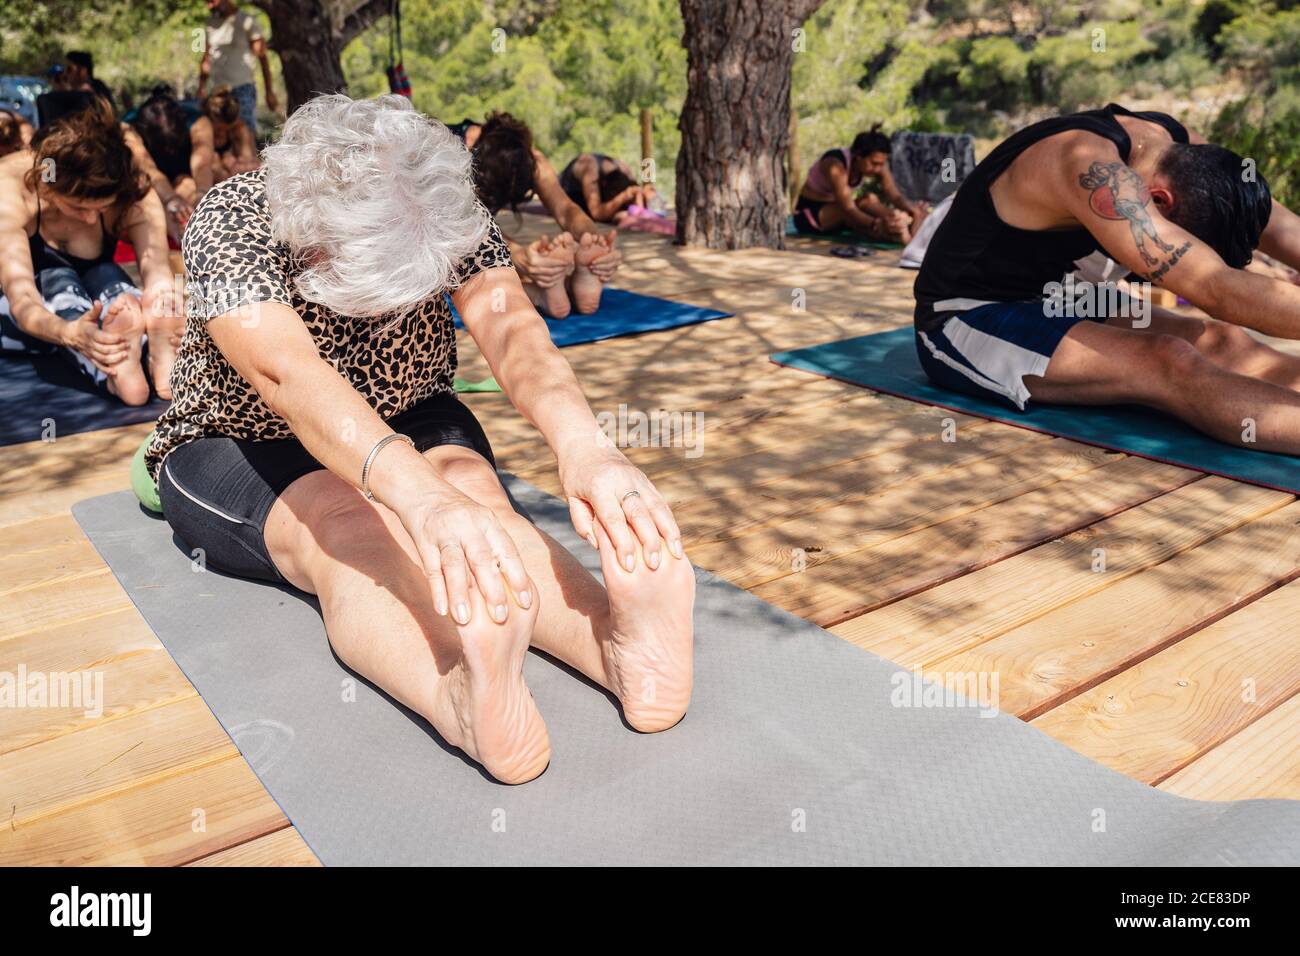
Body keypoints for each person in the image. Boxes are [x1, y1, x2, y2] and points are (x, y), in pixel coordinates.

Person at [144, 94, 695, 784]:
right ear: (309, 235)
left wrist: (586, 446)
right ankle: (458, 696)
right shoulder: (234, 218)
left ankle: (617, 647)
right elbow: (288, 376)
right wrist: (416, 500)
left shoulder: (436, 196)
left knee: (480, 509)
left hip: (411, 406)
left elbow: (513, 335)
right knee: (350, 531)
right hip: (246, 434)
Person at [912, 102, 1300, 454]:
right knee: (1169, 362)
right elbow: (1216, 288)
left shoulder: (1179, 147)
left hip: (1066, 295)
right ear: (1158, 200)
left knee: (1222, 340)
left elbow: (1285, 230)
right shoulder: (1086, 164)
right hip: (966, 314)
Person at [0, 103, 185, 403]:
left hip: (93, 281)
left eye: (100, 209)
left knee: (118, 288)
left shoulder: (132, 186)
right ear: (47, 188)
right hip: (20, 302)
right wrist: (69, 332)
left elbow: (157, 269)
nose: (88, 219)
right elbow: (23, 301)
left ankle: (153, 354)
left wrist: (162, 299)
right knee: (58, 284)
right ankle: (120, 368)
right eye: (78, 207)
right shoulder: (8, 191)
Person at [452, 113, 621, 318]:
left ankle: (554, 285)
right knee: (472, 260)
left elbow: (565, 209)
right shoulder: (443, 153)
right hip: (436, 236)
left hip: (473, 232)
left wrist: (594, 242)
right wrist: (515, 254)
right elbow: (462, 224)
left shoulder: (528, 158)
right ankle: (538, 291)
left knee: (496, 265)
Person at [795, 128, 927, 242]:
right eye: (874, 164)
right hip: (810, 216)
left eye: (881, 164)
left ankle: (899, 224)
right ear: (858, 157)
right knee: (853, 211)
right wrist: (876, 223)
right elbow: (848, 208)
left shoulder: (877, 162)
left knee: (870, 199)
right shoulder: (834, 165)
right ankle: (896, 231)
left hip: (836, 211)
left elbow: (894, 195)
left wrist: (911, 210)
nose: (877, 169)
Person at [124, 91, 201, 245]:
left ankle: (198, 227)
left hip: (184, 174)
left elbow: (203, 164)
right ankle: (181, 237)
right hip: (149, 180)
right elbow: (146, 167)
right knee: (144, 189)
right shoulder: (128, 128)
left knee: (187, 184)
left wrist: (201, 196)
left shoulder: (197, 120)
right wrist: (171, 199)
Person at [200, 0, 278, 136]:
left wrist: (269, 92)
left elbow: (263, 58)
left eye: (212, 1)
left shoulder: (247, 21)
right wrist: (201, 87)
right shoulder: (210, 23)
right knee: (219, 137)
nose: (209, 6)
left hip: (242, 89)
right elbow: (206, 58)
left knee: (245, 135)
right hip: (217, 92)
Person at [191, 85, 259, 190]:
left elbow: (249, 164)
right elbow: (205, 165)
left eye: (227, 130)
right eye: (218, 131)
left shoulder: (240, 129)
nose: (222, 134)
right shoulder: (201, 127)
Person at [557, 152, 656, 224]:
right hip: (568, 192)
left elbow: (638, 195)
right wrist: (623, 197)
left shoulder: (624, 170)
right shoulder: (590, 171)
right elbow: (597, 214)